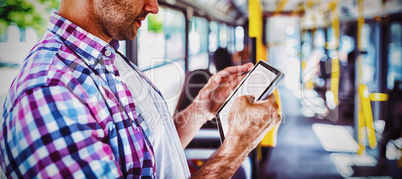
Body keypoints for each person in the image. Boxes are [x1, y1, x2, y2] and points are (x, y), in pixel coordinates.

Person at [0, 0, 281, 178]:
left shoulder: (108, 57)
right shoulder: (50, 93)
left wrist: (201, 109)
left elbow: (144, 158)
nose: (154, 6)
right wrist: (235, 148)